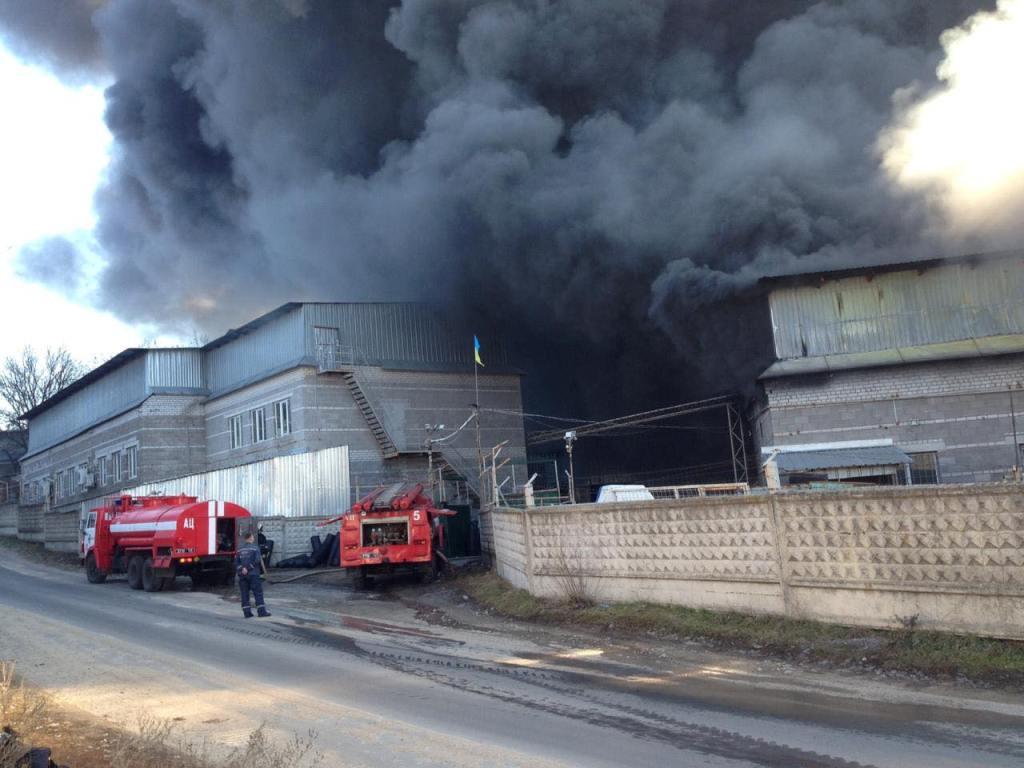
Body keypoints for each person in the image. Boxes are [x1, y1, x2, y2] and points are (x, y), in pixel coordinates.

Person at [235, 531, 271, 618]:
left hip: (242, 575)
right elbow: (257, 560)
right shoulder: (255, 548)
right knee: (258, 593)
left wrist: (242, 569)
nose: (253, 538)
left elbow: (236, 563)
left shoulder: (239, 549)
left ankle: (247, 613)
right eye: (253, 537)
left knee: (244, 593)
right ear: (251, 537)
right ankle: (261, 612)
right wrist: (248, 568)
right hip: (253, 574)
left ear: (245, 538)